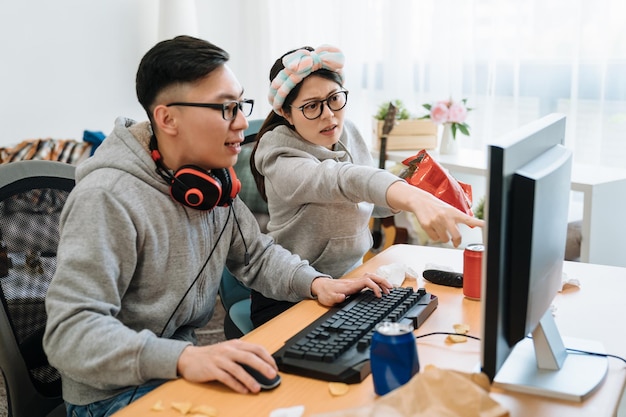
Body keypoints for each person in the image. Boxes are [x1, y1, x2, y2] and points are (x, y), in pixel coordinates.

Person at [42, 36, 392, 417]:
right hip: (110, 396)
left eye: (241, 104)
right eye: (226, 108)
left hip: (178, 368)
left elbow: (256, 256)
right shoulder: (107, 197)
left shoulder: (210, 183)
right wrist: (186, 358)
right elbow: (69, 334)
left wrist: (316, 283)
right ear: (167, 118)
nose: (243, 122)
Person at [249, 45, 484, 326]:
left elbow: (373, 202)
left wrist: (420, 185)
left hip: (353, 280)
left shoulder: (348, 133)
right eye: (311, 106)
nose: (328, 115)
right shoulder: (278, 154)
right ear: (286, 114)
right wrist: (409, 196)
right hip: (292, 294)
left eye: (334, 98)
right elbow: (342, 179)